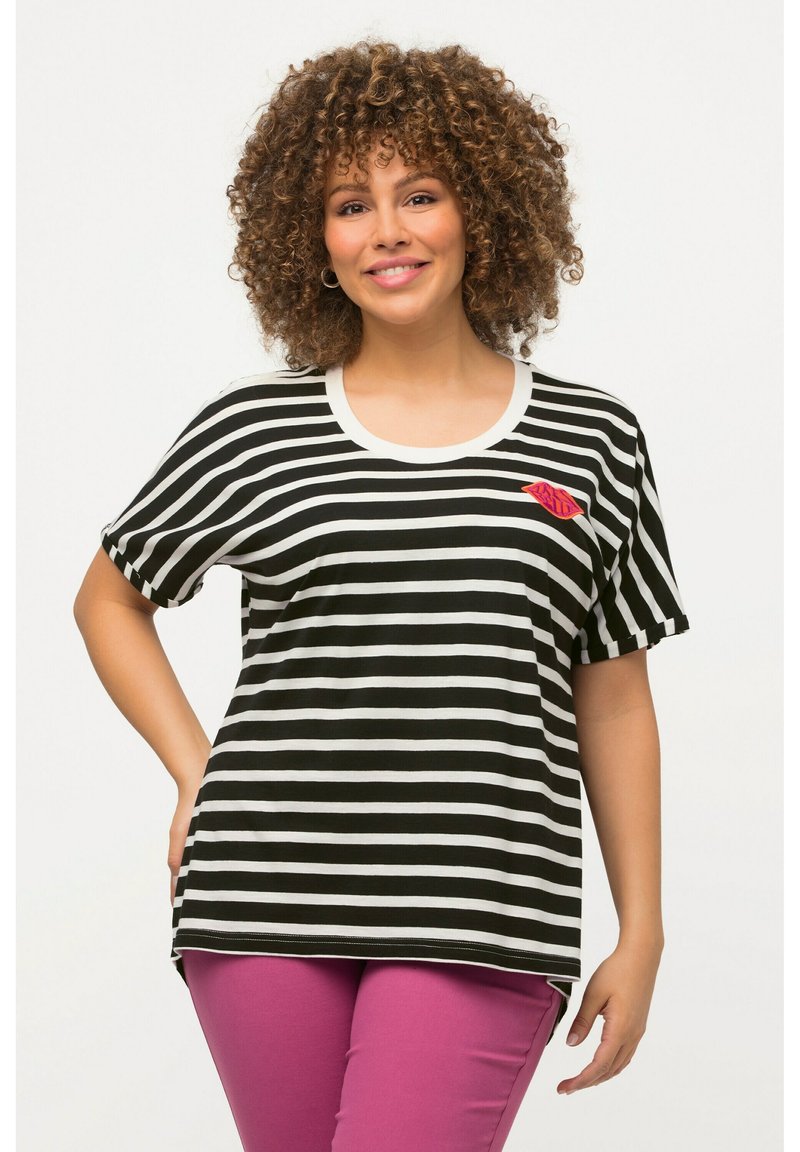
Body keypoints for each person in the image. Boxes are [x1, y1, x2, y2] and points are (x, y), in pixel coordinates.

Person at [73, 38, 691, 1152]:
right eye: (350, 205)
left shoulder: (592, 437)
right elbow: (110, 599)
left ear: (483, 209)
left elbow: (611, 694)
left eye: (420, 194)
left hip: (483, 905)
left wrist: (640, 927)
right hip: (261, 898)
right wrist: (196, 772)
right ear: (311, 238)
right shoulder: (253, 431)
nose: (387, 231)